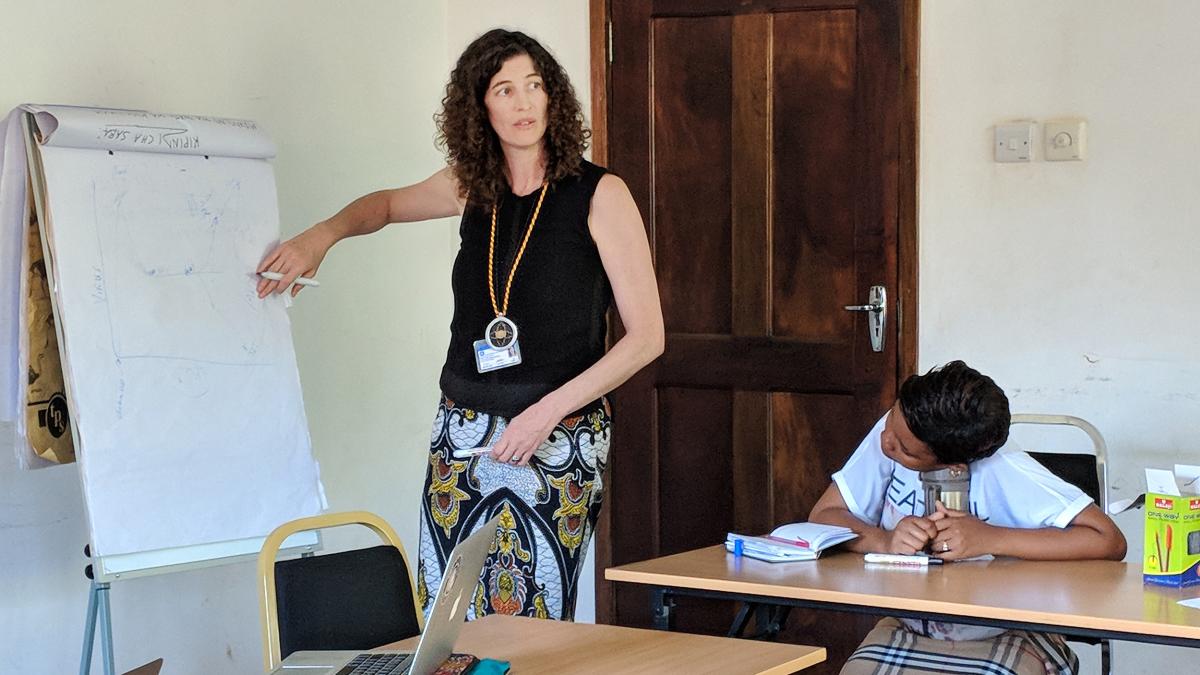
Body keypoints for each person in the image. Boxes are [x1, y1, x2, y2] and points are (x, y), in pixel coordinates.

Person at [256, 28, 664, 621]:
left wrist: (545, 412)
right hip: (462, 429)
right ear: (481, 106)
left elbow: (648, 337)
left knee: (530, 618)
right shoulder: (475, 186)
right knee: (445, 615)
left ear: (554, 98)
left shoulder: (600, 193)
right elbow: (386, 206)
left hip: (558, 434)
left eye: (535, 86)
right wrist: (324, 235)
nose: (524, 103)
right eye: (505, 89)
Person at [809, 360, 1126, 675]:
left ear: (954, 466)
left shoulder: (1008, 469)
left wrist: (991, 537)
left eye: (905, 449)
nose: (885, 441)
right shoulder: (894, 430)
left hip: (1002, 627)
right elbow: (823, 515)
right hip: (910, 622)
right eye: (890, 420)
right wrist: (884, 540)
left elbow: (1109, 539)